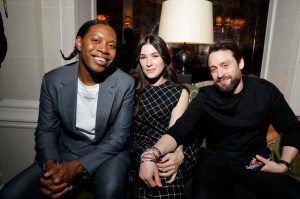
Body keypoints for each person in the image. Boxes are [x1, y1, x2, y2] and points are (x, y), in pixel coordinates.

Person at [139, 39, 300, 198]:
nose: (220, 74)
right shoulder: (206, 96)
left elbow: (292, 128)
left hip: (255, 161)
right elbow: (180, 129)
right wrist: (151, 154)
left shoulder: (265, 91)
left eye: (225, 65)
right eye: (214, 69)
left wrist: (283, 165)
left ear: (240, 63)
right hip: (214, 161)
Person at [0, 19, 135, 199]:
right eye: (96, 40)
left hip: (108, 155)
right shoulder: (53, 80)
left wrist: (76, 166)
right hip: (66, 152)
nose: (104, 49)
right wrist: (51, 166)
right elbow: (46, 130)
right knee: (10, 194)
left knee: (110, 192)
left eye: (111, 45)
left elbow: (119, 138)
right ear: (79, 42)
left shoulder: (125, 84)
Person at [130, 34, 199, 198]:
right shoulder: (129, 87)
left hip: (171, 144)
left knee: (164, 171)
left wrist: (176, 153)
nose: (148, 63)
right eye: (143, 57)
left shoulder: (179, 92)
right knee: (153, 172)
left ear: (165, 58)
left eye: (155, 56)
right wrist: (146, 157)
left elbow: (176, 131)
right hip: (139, 145)